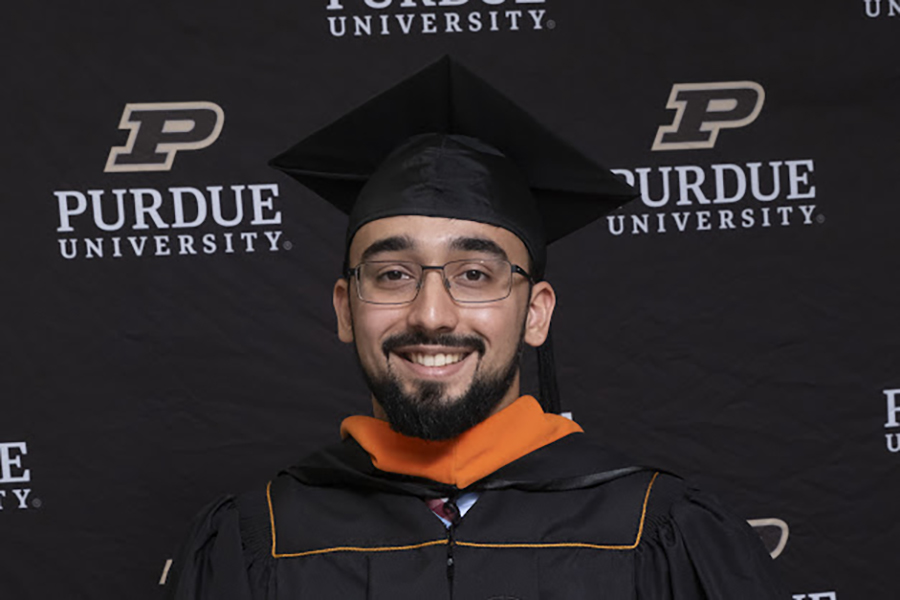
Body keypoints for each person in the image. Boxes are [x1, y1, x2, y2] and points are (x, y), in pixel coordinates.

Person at [163, 57, 787, 600]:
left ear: (536, 312)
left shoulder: (660, 529)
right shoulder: (260, 539)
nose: (431, 315)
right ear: (345, 309)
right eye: (392, 275)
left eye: (474, 275)